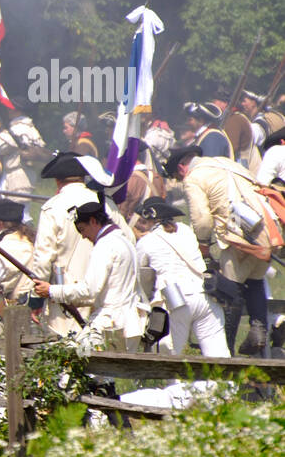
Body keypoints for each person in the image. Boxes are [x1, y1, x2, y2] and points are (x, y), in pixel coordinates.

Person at [167, 144, 277, 355]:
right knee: (254, 282)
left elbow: (202, 220)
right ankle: (258, 328)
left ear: (181, 168)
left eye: (177, 177)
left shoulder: (193, 177)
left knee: (230, 290)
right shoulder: (229, 164)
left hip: (238, 235)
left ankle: (226, 349)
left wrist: (203, 247)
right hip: (267, 230)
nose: (181, 181)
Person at [28, 152, 130, 337]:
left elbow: (43, 260)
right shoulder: (105, 203)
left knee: (67, 355)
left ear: (58, 181)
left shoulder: (52, 207)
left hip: (65, 296)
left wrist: (36, 300)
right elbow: (128, 241)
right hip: (104, 297)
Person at [33, 201, 148, 352]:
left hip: (111, 323)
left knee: (77, 366)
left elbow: (89, 290)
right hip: (128, 322)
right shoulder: (123, 240)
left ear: (93, 221)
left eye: (83, 229)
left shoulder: (105, 246)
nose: (84, 236)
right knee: (108, 373)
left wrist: (52, 291)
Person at [133, 198, 229, 357]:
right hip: (205, 294)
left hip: (175, 299)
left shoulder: (146, 242)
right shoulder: (186, 231)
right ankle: (225, 383)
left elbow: (141, 276)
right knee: (218, 356)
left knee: (171, 357)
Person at [0, 104, 48, 201]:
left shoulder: (18, 128)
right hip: (24, 173)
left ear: (18, 111)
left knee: (19, 211)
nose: (8, 111)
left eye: (11, 109)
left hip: (18, 174)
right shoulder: (31, 128)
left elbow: (0, 148)